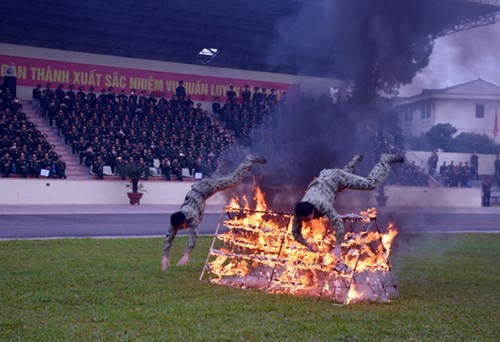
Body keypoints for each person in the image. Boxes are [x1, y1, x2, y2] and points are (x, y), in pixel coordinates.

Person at [161, 153, 266, 271]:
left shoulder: (192, 215)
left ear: (185, 220)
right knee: (217, 178)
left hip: (205, 188)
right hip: (201, 190)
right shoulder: (176, 219)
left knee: (233, 180)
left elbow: (193, 236)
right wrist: (165, 256)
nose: (182, 229)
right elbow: (169, 236)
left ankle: (249, 159)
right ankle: (225, 163)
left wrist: (187, 254)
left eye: (182, 227)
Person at [292, 153, 404, 262]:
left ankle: (384, 161)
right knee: (346, 176)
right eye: (304, 219)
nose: (306, 221)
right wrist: (307, 244)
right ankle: (355, 161)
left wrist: (337, 246)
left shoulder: (322, 204)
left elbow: (338, 224)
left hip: (335, 178)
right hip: (325, 182)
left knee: (370, 184)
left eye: (307, 218)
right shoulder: (299, 211)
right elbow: (295, 233)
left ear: (312, 210)